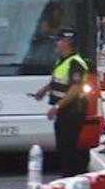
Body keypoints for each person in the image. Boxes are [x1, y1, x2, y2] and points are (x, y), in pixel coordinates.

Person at [31, 29, 90, 177]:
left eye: (59, 40)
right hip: (65, 111)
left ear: (67, 42)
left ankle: (75, 177)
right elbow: (57, 80)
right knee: (63, 146)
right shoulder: (62, 61)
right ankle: (70, 176)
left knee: (67, 147)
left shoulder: (76, 63)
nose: (56, 43)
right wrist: (44, 90)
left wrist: (57, 107)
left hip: (73, 111)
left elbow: (76, 88)